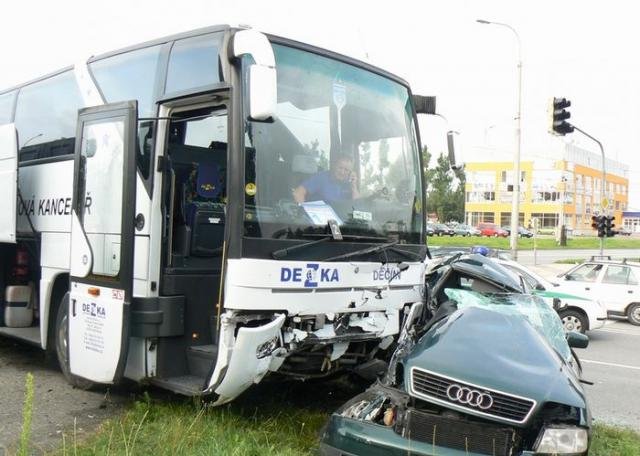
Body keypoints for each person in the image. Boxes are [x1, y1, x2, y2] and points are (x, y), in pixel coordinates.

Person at [293, 155, 359, 203]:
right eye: (340, 168)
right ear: (334, 166)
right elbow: (298, 193)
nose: (342, 172)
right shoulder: (321, 177)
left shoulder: (349, 185)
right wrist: (305, 212)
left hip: (341, 220)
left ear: (350, 172)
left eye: (346, 170)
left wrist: (354, 186)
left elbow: (357, 206)